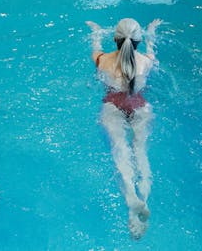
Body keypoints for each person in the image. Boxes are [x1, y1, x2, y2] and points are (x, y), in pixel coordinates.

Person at [86, 17, 162, 239]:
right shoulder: (146, 61)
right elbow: (151, 51)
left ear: (116, 40)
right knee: (141, 152)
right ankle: (143, 199)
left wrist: (96, 32)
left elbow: (95, 49)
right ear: (136, 41)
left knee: (120, 150)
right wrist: (151, 32)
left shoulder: (103, 60)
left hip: (113, 106)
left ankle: (130, 197)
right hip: (140, 107)